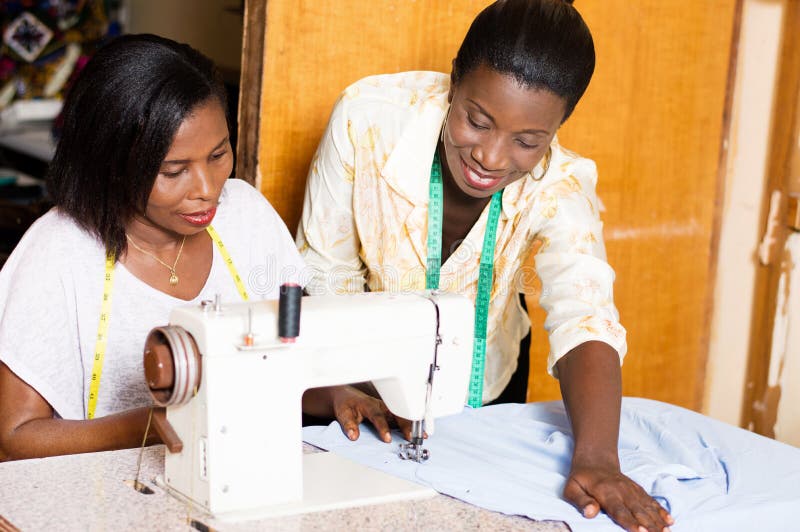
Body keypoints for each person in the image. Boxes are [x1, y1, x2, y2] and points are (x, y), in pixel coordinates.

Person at [296, 1, 674, 531]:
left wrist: (598, 459)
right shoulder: (368, 119)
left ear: (557, 126)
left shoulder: (560, 184)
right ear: (455, 78)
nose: (492, 158)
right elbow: (323, 273)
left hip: (480, 384)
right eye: (477, 120)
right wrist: (350, 386)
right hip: (353, 385)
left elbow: (584, 315)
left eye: (527, 141)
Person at [0, 34, 316, 460]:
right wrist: (148, 424)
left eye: (219, 154)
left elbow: (295, 362)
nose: (207, 189)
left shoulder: (246, 214)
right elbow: (13, 438)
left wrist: (337, 396)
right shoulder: (59, 251)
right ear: (110, 165)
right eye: (174, 171)